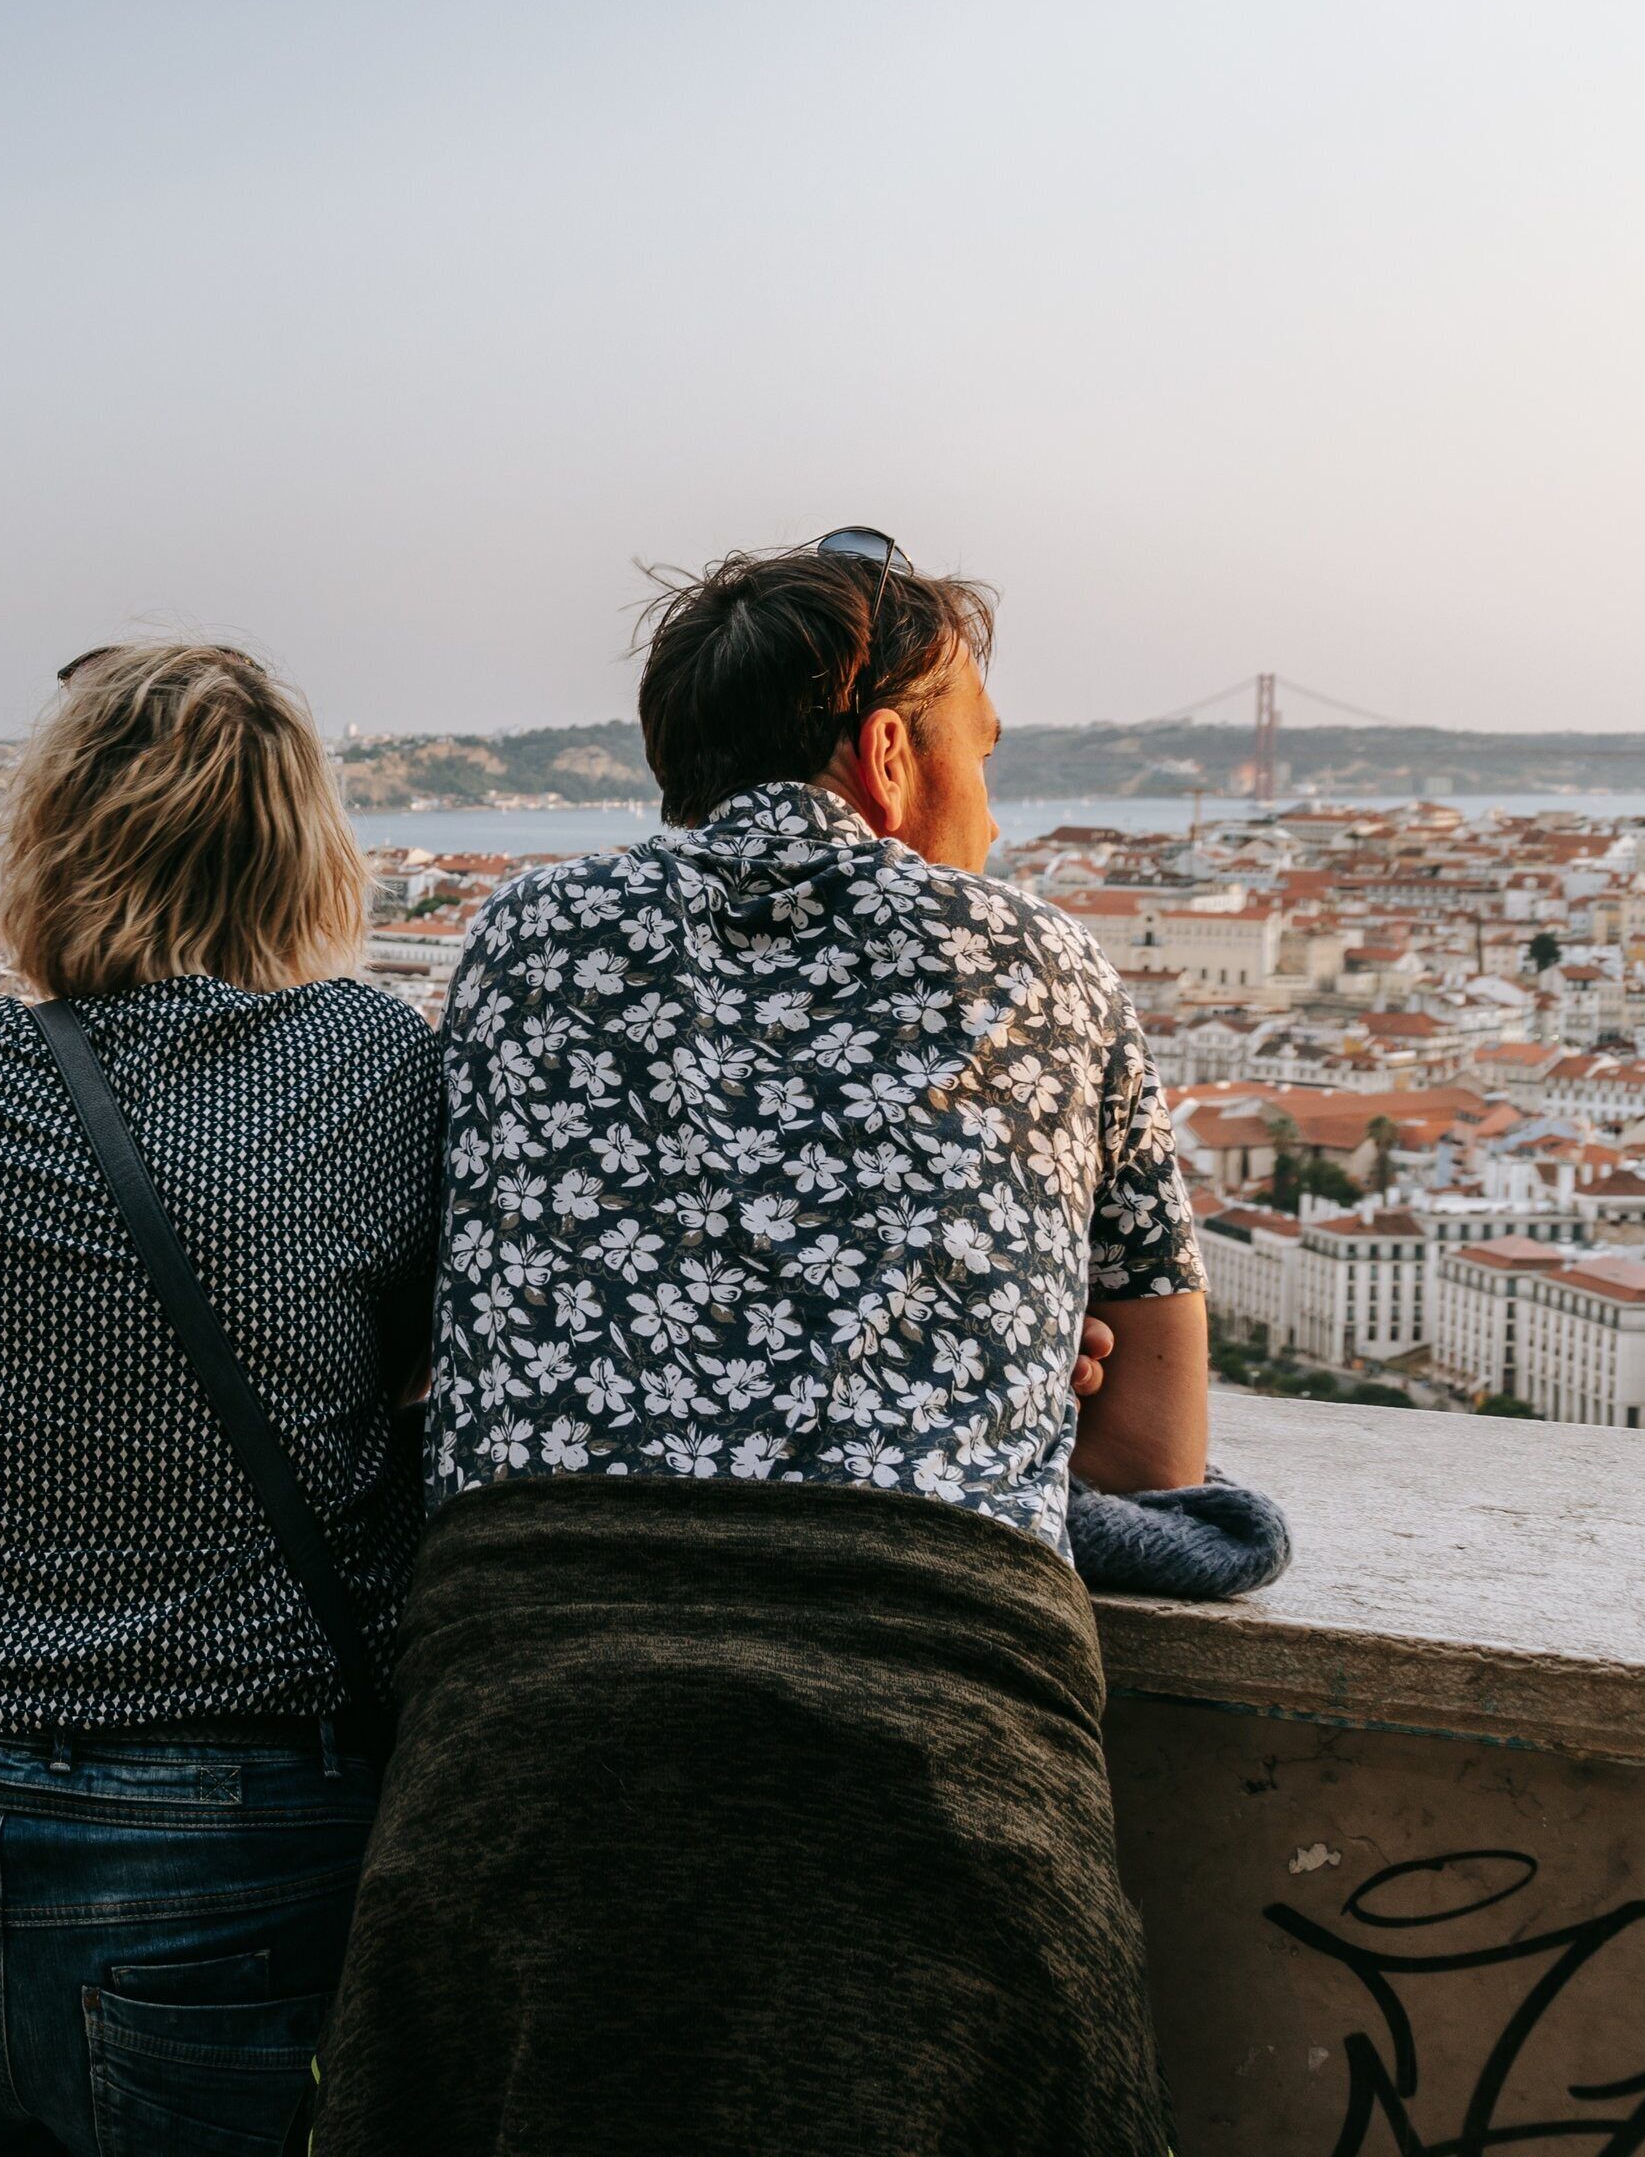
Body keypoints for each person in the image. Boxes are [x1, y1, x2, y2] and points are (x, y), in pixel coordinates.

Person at [312, 530, 1211, 2156]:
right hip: (935, 1775)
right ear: (890, 754)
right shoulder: (1046, 966)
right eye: (984, 755)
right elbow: (1154, 1456)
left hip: (522, 1758)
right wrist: (998, 1363)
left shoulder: (519, 943)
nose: (993, 811)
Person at [0, 643, 440, 2156]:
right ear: (301, 856)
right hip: (226, 1815)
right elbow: (402, 1354)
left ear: (52, 840)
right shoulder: (376, 1067)